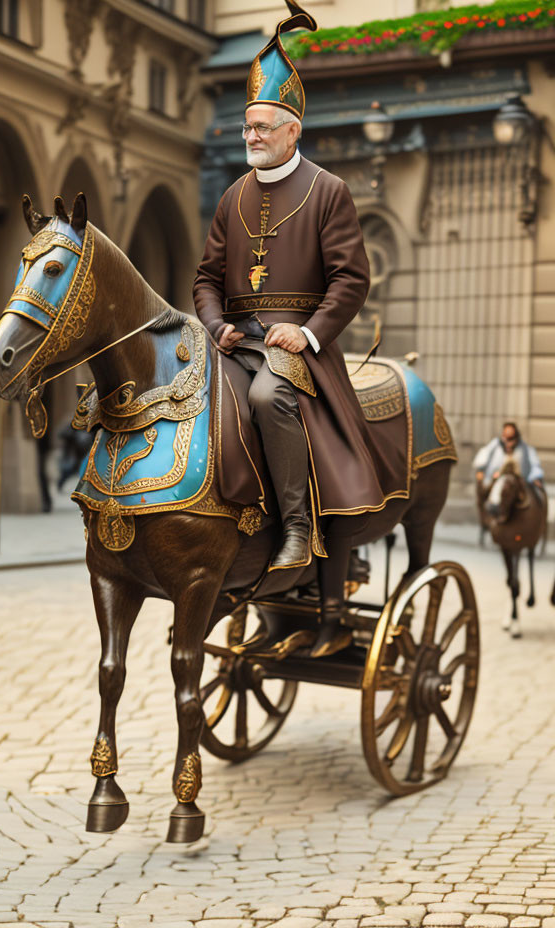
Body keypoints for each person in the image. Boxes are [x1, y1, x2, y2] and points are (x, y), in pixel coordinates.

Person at [193, 0, 406, 654]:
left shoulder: (329, 191)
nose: (250, 136)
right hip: (238, 344)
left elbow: (351, 279)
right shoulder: (231, 198)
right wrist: (215, 327)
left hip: (299, 354)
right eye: (246, 127)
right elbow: (206, 279)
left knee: (266, 397)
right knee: (189, 400)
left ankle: (295, 531)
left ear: (291, 130)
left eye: (262, 126)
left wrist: (308, 332)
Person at [474, 422, 544, 490]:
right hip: (494, 482)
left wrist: (535, 477)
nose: (507, 442)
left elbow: (535, 466)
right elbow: (482, 458)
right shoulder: (495, 445)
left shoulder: (525, 449)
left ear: (516, 438)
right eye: (505, 438)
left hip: (519, 486)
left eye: (510, 439)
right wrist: (480, 470)